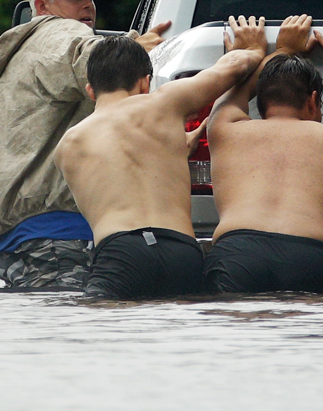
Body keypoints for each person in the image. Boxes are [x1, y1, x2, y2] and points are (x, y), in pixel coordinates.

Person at [0, 0, 170, 289]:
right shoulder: (57, 30)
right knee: (78, 333)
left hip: (18, 239)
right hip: (55, 235)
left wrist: (131, 44)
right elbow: (86, 57)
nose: (86, 5)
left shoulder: (30, 48)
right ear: (41, 6)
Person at [53, 16, 267, 298]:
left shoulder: (68, 145)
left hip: (121, 253)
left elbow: (123, 166)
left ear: (91, 91)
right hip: (180, 251)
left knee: (102, 332)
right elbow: (236, 66)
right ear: (145, 82)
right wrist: (252, 48)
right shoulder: (165, 102)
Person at [202, 14, 323, 294]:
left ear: (260, 104)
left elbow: (234, 90)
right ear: (313, 101)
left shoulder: (224, 127)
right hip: (309, 257)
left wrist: (281, 50)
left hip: (237, 255)